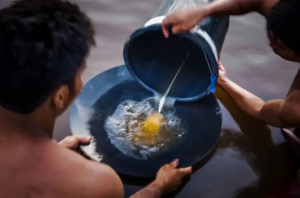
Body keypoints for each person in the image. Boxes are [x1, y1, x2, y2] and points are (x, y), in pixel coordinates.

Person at [0, 0, 192, 198]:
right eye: (80, 74)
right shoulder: (95, 183)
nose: (82, 82)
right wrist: (158, 187)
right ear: (60, 96)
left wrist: (50, 153)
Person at [162, 0, 300, 196]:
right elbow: (256, 1)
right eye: (272, 35)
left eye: (281, 45)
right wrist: (202, 10)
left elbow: (262, 110)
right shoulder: (292, 15)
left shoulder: (295, 108)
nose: (271, 44)